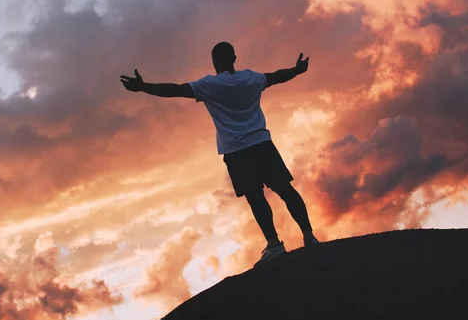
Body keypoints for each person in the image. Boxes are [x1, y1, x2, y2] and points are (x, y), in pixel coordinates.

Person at [120, 41, 319, 267]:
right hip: (262, 143)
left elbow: (175, 90)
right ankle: (309, 236)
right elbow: (277, 76)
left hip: (237, 151)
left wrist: (143, 86)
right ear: (234, 58)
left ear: (215, 61)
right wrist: (297, 70)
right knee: (285, 190)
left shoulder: (210, 85)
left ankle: (274, 244)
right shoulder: (251, 78)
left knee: (255, 198)